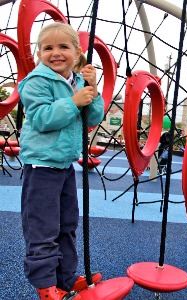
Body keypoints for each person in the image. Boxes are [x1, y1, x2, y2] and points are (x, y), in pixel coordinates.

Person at [19, 22, 104, 300]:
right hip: (41, 167)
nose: (55, 53)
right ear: (39, 54)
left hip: (64, 166)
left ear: (78, 54)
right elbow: (42, 119)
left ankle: (66, 278)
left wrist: (92, 89)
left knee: (67, 225)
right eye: (48, 48)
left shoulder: (78, 82)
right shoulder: (36, 82)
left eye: (63, 47)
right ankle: (45, 285)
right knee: (43, 228)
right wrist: (74, 102)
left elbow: (92, 119)